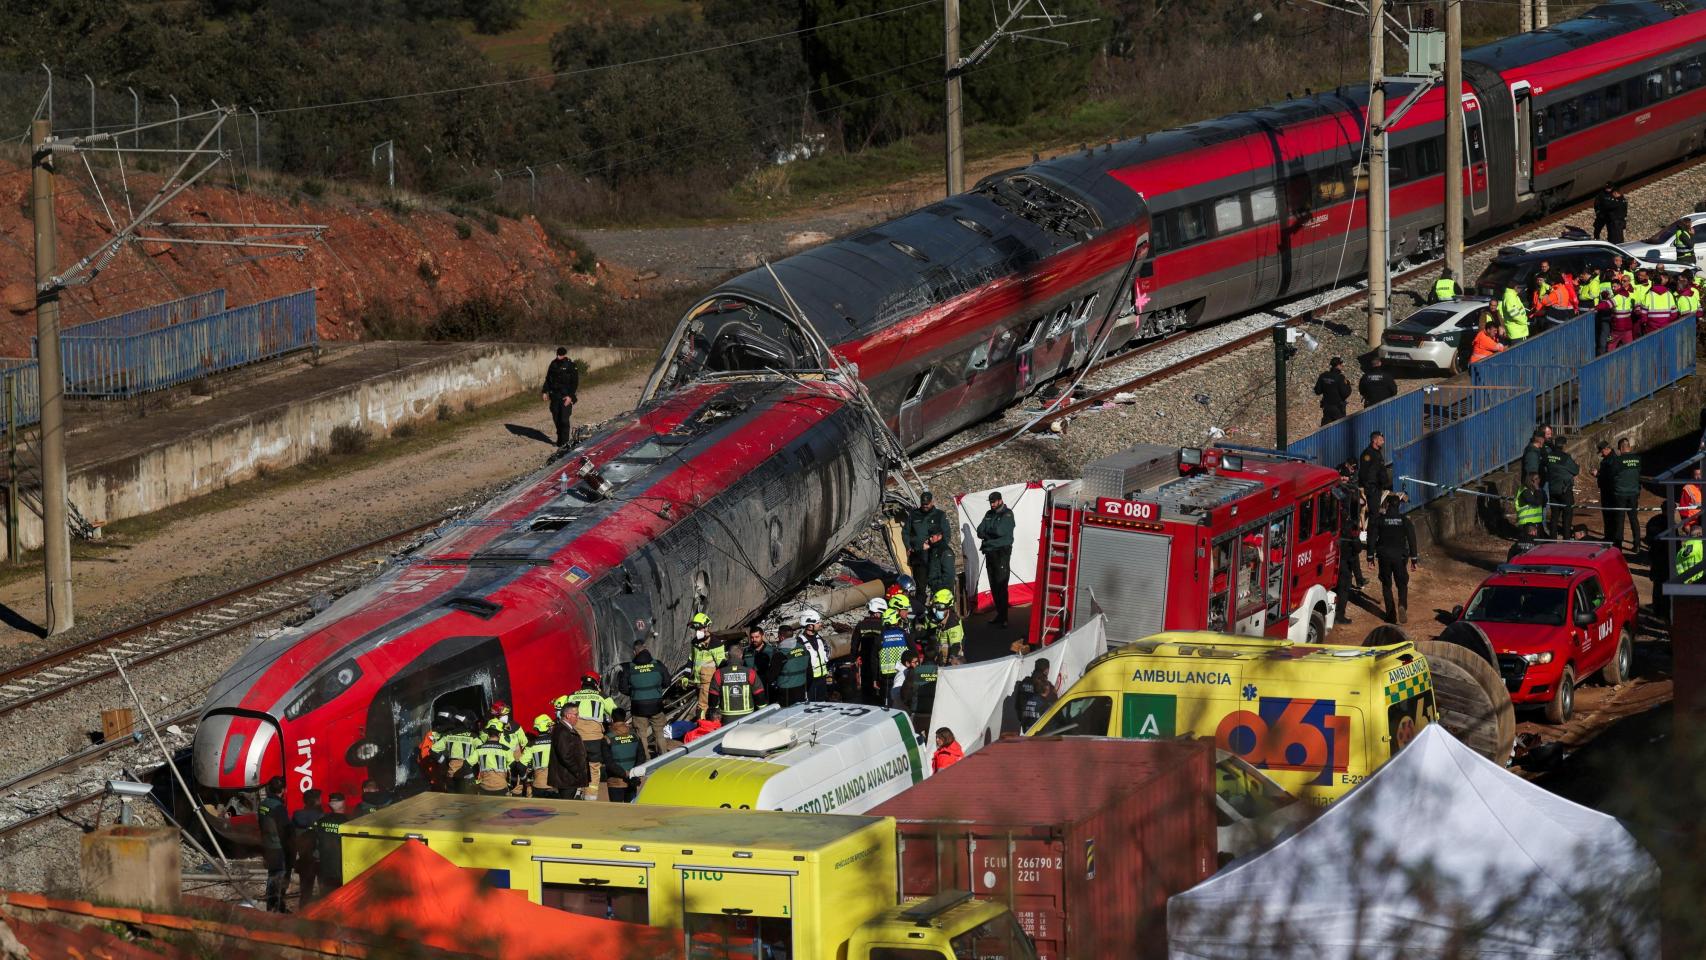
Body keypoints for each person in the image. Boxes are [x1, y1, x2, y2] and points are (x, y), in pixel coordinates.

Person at [1368, 494, 1419, 624]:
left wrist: (1370, 557)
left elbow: (1372, 538)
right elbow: (1412, 540)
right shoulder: (1404, 521)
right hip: (1400, 557)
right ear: (1399, 505)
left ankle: (1391, 615)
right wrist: (1414, 559)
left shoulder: (1380, 520)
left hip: (1384, 557)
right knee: (1402, 584)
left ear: (1388, 505)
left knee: (1386, 585)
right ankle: (1402, 605)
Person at [565, 673, 616, 800]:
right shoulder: (601, 696)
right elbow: (615, 712)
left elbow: (564, 716)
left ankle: (576, 792)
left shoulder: (572, 695)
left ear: (582, 683)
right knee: (594, 767)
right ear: (596, 683)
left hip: (575, 738)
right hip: (594, 739)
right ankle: (590, 797)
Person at [903, 491, 957, 599]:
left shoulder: (940, 515)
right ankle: (921, 610)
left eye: (927, 504)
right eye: (923, 504)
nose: (925, 506)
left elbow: (946, 535)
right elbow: (905, 532)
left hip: (934, 556)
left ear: (932, 502)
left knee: (937, 583)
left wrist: (939, 549)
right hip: (918, 556)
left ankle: (942, 606)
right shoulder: (914, 515)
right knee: (920, 587)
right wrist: (909, 547)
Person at [622, 640, 670, 761]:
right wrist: (656, 689)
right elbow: (667, 682)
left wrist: (634, 693)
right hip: (656, 705)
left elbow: (622, 687)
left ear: (634, 652)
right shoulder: (657, 664)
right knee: (659, 732)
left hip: (638, 706)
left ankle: (645, 759)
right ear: (646, 648)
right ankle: (663, 756)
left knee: (641, 734)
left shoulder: (629, 668)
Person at [977, 491, 1017, 626]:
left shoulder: (1007, 514)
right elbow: (979, 530)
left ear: (1000, 500)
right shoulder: (989, 514)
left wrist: (987, 533)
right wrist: (991, 533)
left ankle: (1004, 618)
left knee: (1001, 584)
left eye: (994, 502)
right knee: (993, 584)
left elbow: (1000, 531)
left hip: (1001, 553)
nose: (992, 504)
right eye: (991, 502)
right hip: (990, 552)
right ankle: (999, 615)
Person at [1333, 465, 1363, 623]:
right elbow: (1357, 548)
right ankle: (1339, 615)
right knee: (1344, 587)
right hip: (1345, 559)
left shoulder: (1335, 490)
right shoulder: (1349, 527)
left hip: (1336, 555)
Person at [259, 777, 293, 913]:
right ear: (284, 790)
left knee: (271, 876)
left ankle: (271, 907)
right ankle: (277, 909)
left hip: (267, 846)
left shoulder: (263, 804)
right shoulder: (278, 807)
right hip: (278, 848)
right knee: (279, 878)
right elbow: (285, 830)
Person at [1605, 438, 1644, 552]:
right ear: (1629, 447)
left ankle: (1618, 546)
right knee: (1633, 519)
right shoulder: (1638, 459)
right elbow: (1639, 473)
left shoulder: (1617, 460)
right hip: (1634, 494)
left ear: (1620, 448)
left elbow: (1612, 475)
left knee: (1620, 520)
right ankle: (1637, 544)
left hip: (1620, 494)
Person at [289, 789, 324, 909]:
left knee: (305, 894)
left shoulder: (297, 815)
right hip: (319, 859)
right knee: (325, 893)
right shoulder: (321, 817)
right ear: (317, 801)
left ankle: (303, 917)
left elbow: (292, 836)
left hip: (304, 859)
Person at [548, 703, 590, 800]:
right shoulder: (562, 731)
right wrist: (577, 771)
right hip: (567, 778)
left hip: (569, 777)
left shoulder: (566, 729)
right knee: (567, 804)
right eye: (576, 714)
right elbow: (565, 756)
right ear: (568, 715)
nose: (578, 717)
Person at [711, 646, 766, 720]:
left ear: (728, 656)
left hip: (726, 717)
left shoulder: (719, 673)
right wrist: (763, 711)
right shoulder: (750, 672)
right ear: (741, 655)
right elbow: (759, 693)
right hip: (748, 716)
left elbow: (713, 695)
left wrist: (715, 711)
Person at [541, 347, 580, 447]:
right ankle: (560, 441)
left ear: (565, 354)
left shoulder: (571, 365)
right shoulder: (553, 364)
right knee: (556, 418)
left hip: (565, 396)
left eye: (561, 354)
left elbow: (574, 383)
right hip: (554, 396)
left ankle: (565, 443)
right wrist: (545, 391)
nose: (559, 356)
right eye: (558, 354)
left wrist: (570, 397)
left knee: (564, 420)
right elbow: (548, 379)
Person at [1544, 437, 1580, 539]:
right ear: (1564, 445)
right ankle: (1567, 538)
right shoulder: (1566, 458)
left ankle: (1552, 538)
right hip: (1565, 490)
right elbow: (1575, 470)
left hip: (1553, 489)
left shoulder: (1549, 456)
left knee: (1554, 515)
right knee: (1567, 516)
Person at [313, 794, 349, 896]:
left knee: (325, 897)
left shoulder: (321, 821)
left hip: (323, 867)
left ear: (330, 804)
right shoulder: (348, 822)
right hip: (341, 868)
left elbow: (314, 841)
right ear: (343, 804)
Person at [689, 612, 723, 719]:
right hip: (698, 681)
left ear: (707, 627)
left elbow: (721, 665)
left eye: (699, 628)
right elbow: (691, 659)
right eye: (696, 629)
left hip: (709, 682)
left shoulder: (715, 644)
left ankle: (704, 726)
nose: (697, 631)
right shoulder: (695, 642)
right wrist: (686, 676)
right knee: (701, 706)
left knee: (703, 706)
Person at [854, 597, 888, 705]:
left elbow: (854, 645)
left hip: (865, 664)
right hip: (881, 663)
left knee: (867, 693)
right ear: (878, 612)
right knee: (882, 691)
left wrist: (854, 658)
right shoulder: (884, 626)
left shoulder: (861, 625)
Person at [603, 710, 642, 803]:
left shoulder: (608, 738)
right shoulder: (635, 736)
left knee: (617, 812)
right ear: (625, 718)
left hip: (615, 782)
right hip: (632, 780)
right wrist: (633, 773)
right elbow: (641, 757)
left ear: (612, 719)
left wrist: (624, 773)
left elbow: (609, 762)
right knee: (631, 810)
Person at [918, 588, 964, 660]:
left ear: (949, 607)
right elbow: (924, 633)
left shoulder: (954, 622)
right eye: (935, 606)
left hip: (950, 655)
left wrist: (951, 660)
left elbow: (956, 645)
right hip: (934, 655)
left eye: (940, 607)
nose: (936, 610)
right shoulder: (930, 617)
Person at [470, 725, 516, 797]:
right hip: (501, 787)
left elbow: (466, 764)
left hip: (484, 787)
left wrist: (472, 781)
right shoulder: (506, 749)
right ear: (499, 734)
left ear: (488, 734)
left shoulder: (479, 749)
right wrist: (512, 783)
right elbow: (514, 767)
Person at [1012, 659, 1056, 732]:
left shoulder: (1023, 683)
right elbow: (1055, 708)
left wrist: (1023, 720)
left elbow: (1017, 705)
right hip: (1042, 730)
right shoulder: (1047, 686)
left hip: (1026, 727)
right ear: (1046, 670)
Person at [798, 610, 833, 701]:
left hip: (822, 678)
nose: (820, 624)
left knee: (822, 703)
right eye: (817, 623)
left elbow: (826, 653)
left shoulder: (819, 638)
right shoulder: (800, 641)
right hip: (810, 681)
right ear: (810, 625)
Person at [770, 632, 812, 707]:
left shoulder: (780, 653)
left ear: (781, 637)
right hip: (801, 689)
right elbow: (810, 673)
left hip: (785, 693)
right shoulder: (804, 649)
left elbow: (771, 676)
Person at [877, 607, 912, 695]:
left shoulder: (880, 637)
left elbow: (874, 659)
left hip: (886, 677)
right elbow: (914, 653)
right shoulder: (905, 635)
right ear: (896, 621)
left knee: (886, 703)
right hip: (903, 674)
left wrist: (875, 678)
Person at [1358, 432, 1391, 522]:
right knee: (1374, 514)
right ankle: (1372, 534)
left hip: (1378, 487)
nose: (1383, 442)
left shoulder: (1377, 453)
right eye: (1381, 440)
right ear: (1374, 440)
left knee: (1376, 512)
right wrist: (1369, 487)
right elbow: (1363, 473)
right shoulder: (1368, 454)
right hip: (1372, 488)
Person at [522, 714, 556, 798]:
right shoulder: (557, 742)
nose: (552, 727)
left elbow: (520, 765)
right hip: (555, 786)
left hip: (538, 786)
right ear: (547, 727)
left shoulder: (531, 745)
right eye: (550, 725)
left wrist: (524, 779)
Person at [1313, 356, 1353, 425]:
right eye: (1341, 365)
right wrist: (1348, 385)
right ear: (1338, 366)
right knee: (1340, 428)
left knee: (1325, 429)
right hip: (1338, 408)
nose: (1342, 366)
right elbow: (1345, 394)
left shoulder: (1323, 375)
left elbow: (1317, 391)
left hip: (1327, 407)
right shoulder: (1340, 377)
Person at [1514, 474, 1547, 549]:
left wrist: (1540, 491)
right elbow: (1536, 502)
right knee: (1528, 546)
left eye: (1539, 478)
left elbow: (1544, 501)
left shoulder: (1536, 490)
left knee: (1539, 546)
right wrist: (1538, 490)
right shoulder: (1524, 491)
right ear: (1531, 481)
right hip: (1526, 524)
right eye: (1536, 479)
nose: (1539, 480)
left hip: (1537, 523)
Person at [890, 649, 919, 713]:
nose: (917, 664)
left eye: (918, 661)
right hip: (901, 712)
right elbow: (894, 694)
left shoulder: (908, 672)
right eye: (915, 662)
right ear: (907, 663)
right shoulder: (901, 675)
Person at [1678, 463, 1702, 528]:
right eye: (1696, 475)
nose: (1699, 477)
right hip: (1694, 522)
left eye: (1700, 474)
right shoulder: (1688, 488)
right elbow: (1683, 509)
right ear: (1692, 476)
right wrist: (1686, 525)